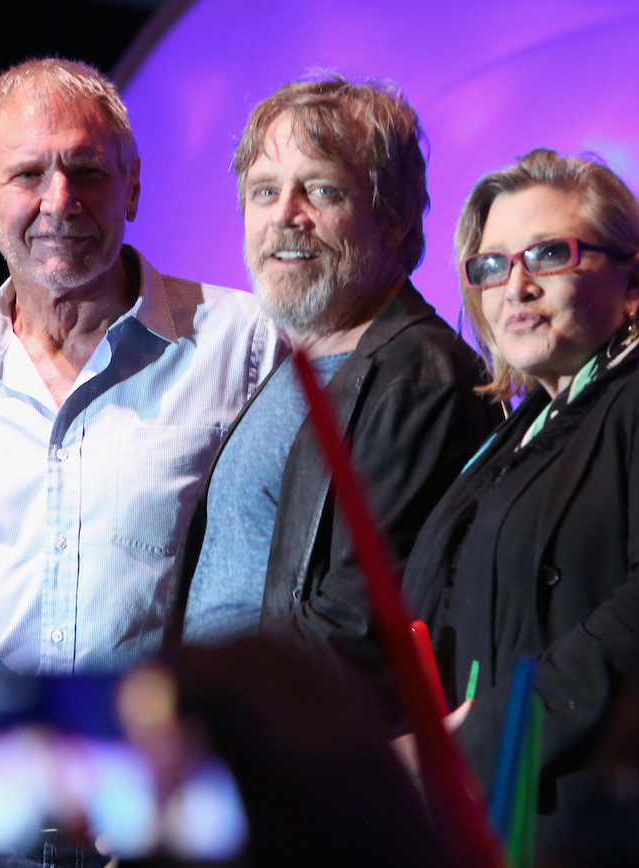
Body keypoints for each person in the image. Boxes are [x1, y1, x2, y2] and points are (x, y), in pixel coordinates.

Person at [0, 58, 284, 867]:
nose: (59, 202)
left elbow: (292, 603)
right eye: (27, 175)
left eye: (85, 170)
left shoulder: (244, 345)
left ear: (133, 187)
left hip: (170, 838)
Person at [400, 148, 639, 826]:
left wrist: (483, 740)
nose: (514, 286)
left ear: (635, 281)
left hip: (608, 825)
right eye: (491, 265)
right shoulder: (503, 440)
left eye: (548, 255)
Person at [164, 76, 498, 700]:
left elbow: (358, 627)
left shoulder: (418, 378)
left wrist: (231, 725)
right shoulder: (295, 366)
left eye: (320, 190)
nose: (285, 216)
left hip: (300, 764)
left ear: (394, 218)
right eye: (265, 192)